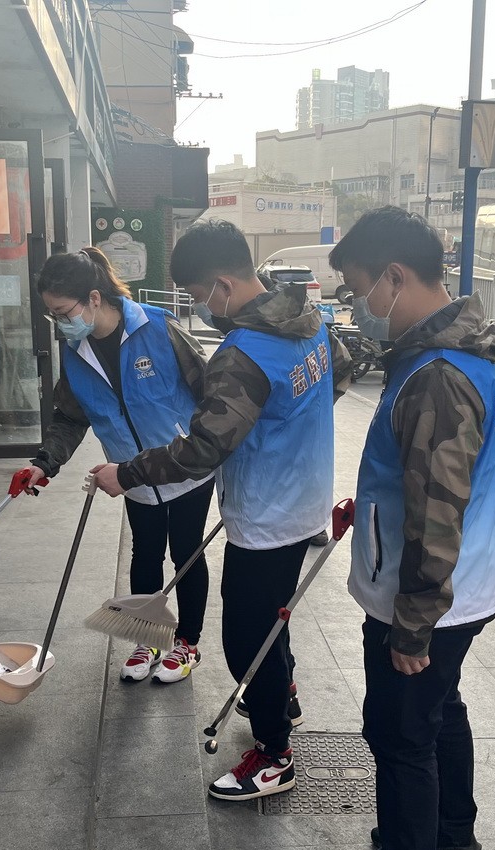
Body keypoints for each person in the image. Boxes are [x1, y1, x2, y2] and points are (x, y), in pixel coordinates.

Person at [91, 220, 352, 801]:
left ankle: (275, 756)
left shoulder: (242, 353)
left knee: (245, 637)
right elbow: (339, 372)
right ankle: (284, 695)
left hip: (265, 515)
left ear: (222, 285)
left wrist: (124, 474)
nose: (200, 307)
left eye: (198, 295)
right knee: (274, 616)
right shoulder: (309, 320)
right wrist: (287, 432)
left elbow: (203, 449)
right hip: (305, 499)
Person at [313, 206, 495, 850]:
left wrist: (411, 624)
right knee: (438, 709)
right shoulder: (462, 356)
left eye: (359, 288)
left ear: (395, 277)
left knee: (400, 736)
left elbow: (436, 510)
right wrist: (370, 503)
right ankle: (451, 830)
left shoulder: (436, 375)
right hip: (463, 588)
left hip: (429, 595)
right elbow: (424, 479)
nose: (358, 305)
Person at [12, 247, 213, 685]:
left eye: (63, 312)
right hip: (132, 475)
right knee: (145, 553)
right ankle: (148, 638)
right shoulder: (76, 352)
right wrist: (45, 463)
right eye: (52, 315)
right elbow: (70, 416)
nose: (60, 323)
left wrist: (212, 446)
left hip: (183, 469)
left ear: (94, 298)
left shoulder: (158, 328)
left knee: (186, 552)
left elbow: (208, 388)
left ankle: (187, 642)